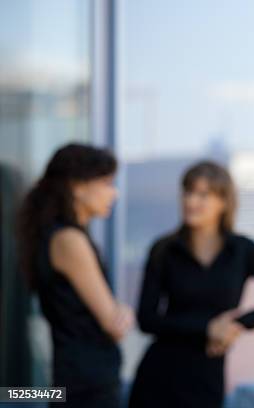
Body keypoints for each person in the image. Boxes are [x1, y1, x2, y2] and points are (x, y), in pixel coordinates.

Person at [129, 160, 254, 408]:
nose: (191, 201)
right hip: (159, 374)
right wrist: (207, 327)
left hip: (207, 375)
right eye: (188, 191)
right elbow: (146, 319)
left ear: (224, 202)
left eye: (203, 194)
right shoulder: (164, 250)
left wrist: (237, 324)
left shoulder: (242, 250)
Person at [17, 143, 134, 408]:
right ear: (78, 187)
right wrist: (124, 312)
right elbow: (113, 324)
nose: (113, 194)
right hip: (88, 388)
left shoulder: (55, 235)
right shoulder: (70, 240)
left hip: (73, 381)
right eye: (106, 183)